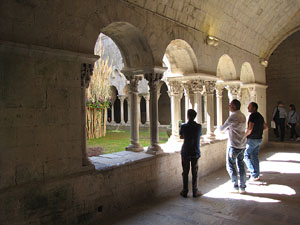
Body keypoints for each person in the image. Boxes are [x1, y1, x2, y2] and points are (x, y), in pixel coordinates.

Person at [220, 99, 247, 193]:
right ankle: (243, 187)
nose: (229, 106)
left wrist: (222, 128)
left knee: (231, 165)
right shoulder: (243, 116)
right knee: (241, 165)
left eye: (230, 105)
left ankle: (235, 186)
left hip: (234, 144)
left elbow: (222, 128)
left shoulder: (233, 116)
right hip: (242, 144)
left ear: (234, 106)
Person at [179, 109, 202, 198]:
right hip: (195, 151)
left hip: (185, 151)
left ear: (187, 116)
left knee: (185, 172)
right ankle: (195, 191)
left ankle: (185, 191)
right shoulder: (199, 127)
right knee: (194, 172)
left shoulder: (184, 126)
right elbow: (198, 135)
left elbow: (181, 136)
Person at [244, 102, 268, 181]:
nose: (248, 107)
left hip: (252, 139)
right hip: (259, 139)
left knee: (246, 156)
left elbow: (250, 129)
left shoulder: (252, 116)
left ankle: (253, 174)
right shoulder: (260, 116)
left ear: (254, 107)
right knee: (254, 156)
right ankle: (257, 175)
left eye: (249, 106)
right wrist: (259, 131)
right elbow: (266, 127)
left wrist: (244, 136)